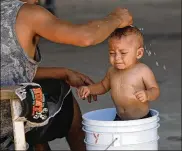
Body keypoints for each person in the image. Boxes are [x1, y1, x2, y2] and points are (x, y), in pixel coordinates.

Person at [1, 0, 133, 150]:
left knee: (39, 99)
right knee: (62, 96)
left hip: (6, 100)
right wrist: (117, 18)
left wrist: (63, 73)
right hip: (6, 121)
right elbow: (86, 36)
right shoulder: (28, 14)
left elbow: (9, 73)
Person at [77, 26, 160, 121]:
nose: (117, 58)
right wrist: (89, 89)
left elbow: (155, 90)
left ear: (139, 53)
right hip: (119, 118)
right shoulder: (112, 71)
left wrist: (147, 94)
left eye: (123, 53)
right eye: (112, 53)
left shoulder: (142, 70)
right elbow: (103, 86)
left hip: (141, 120)